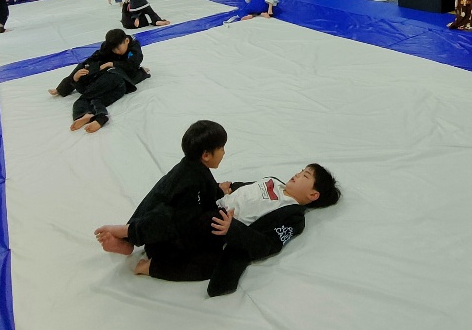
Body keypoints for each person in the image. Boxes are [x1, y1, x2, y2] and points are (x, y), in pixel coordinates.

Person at [97, 158, 341, 297]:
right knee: (181, 179)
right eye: (301, 171)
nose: (297, 174)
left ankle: (144, 253)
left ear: (313, 195)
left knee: (191, 236)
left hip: (219, 227)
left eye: (305, 176)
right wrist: (226, 187)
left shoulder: (294, 217)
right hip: (212, 204)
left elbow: (269, 244)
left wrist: (232, 229)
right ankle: (131, 234)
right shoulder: (273, 181)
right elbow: (247, 188)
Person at [93, 119, 228, 271]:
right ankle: (130, 236)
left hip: (154, 225)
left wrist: (219, 191)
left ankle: (128, 236)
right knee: (212, 258)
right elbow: (178, 222)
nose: (224, 152)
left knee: (158, 198)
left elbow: (206, 190)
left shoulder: (187, 167)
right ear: (206, 155)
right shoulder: (192, 184)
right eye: (221, 148)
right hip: (162, 245)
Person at [48, 28, 150, 132]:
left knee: (85, 98)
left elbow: (133, 64)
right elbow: (95, 58)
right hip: (114, 79)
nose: (116, 51)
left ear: (127, 41)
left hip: (120, 74)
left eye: (118, 48)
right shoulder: (107, 47)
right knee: (95, 96)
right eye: (113, 49)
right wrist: (80, 72)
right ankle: (99, 117)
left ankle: (84, 115)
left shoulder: (134, 47)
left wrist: (113, 64)